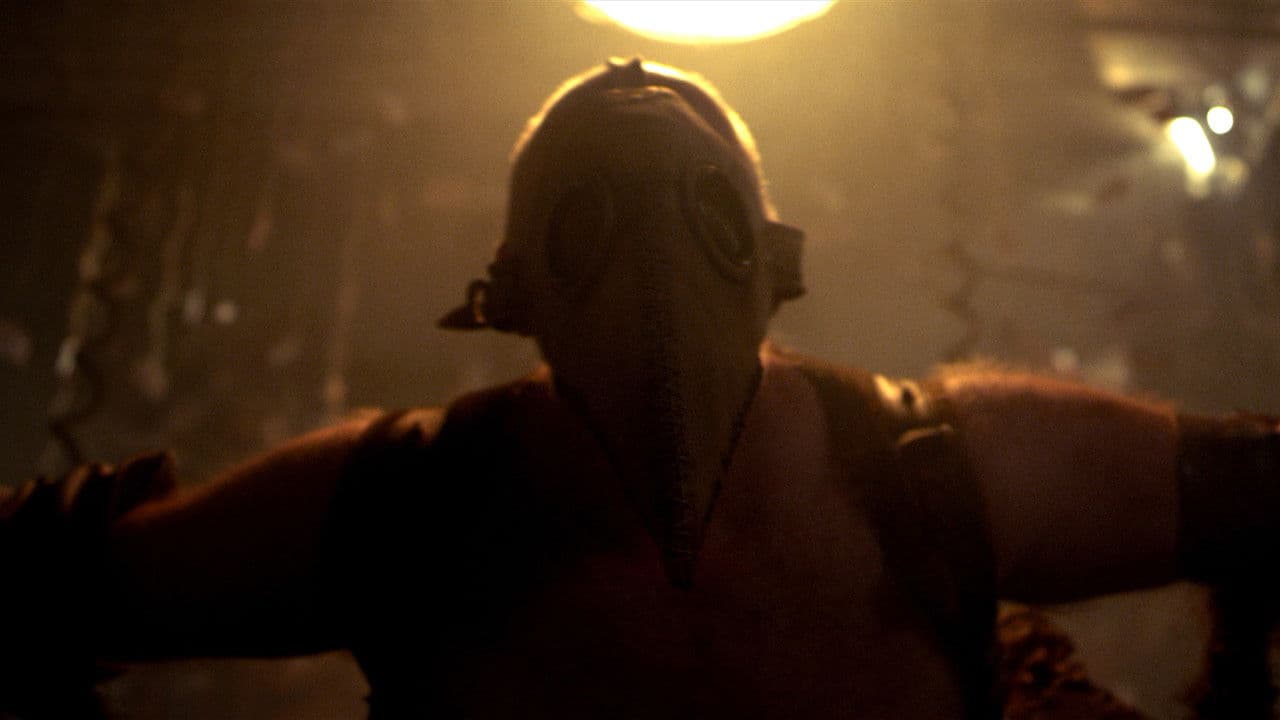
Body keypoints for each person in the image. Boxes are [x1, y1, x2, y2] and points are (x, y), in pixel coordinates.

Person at [2, 58, 1276, 719]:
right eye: (593, 226)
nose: (654, 268)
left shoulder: (944, 472)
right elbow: (49, 588)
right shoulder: (408, 503)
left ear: (769, 263)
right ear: (517, 294)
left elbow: (1254, 489)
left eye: (699, 213)